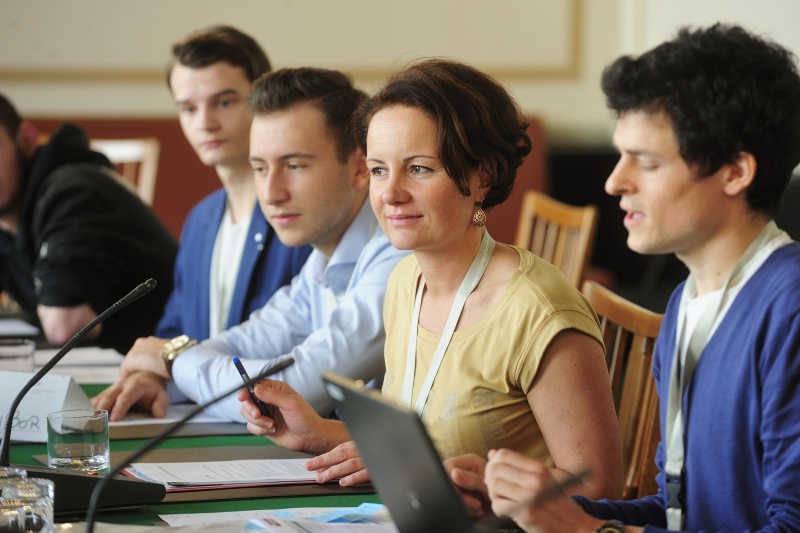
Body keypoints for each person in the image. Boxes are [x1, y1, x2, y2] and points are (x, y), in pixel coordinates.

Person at [239, 59, 623, 504]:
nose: (390, 193)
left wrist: (479, 484)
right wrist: (317, 432)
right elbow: (427, 440)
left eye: (419, 168)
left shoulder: (539, 311)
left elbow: (598, 489)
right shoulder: (406, 281)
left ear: (484, 175)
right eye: (380, 170)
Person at [482, 24, 800, 532]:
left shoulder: (789, 310)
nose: (614, 181)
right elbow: (677, 515)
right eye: (620, 155)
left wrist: (586, 529)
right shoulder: (687, 301)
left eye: (646, 162)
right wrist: (529, 507)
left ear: (736, 172)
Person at [91, 67, 408, 422]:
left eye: (295, 165)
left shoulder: (398, 254)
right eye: (260, 168)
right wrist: (165, 378)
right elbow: (243, 344)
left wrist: (172, 360)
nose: (271, 194)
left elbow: (295, 392)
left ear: (359, 169)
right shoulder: (321, 261)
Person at [125, 26, 311, 365]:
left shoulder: (299, 210)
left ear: (262, 99)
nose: (204, 123)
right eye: (188, 109)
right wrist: (148, 374)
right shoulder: (201, 219)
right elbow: (175, 329)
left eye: (223, 102)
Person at [0, 94, 177, 353]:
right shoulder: (10, 220)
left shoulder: (74, 191)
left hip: (163, 375)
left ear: (26, 139)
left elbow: (64, 327)